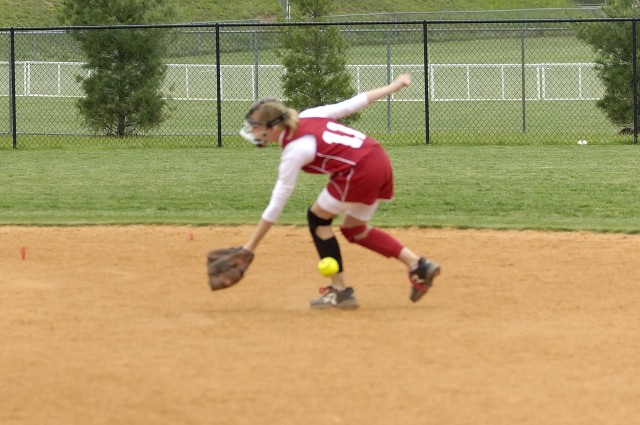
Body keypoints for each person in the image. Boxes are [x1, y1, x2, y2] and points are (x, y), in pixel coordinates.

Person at [239, 73, 440, 309]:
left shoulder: (294, 150)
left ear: (273, 127)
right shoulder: (309, 115)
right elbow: (354, 103)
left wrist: (249, 247)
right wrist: (392, 87)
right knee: (354, 229)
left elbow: (277, 203)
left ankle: (340, 291)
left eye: (256, 127)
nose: (253, 132)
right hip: (378, 158)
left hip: (359, 170)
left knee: (317, 219)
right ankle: (418, 265)